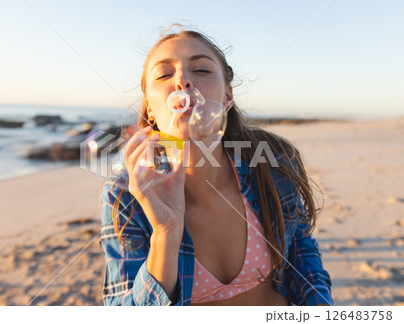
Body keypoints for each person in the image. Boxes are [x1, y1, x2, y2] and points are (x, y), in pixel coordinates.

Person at [100, 27, 332, 306]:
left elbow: (302, 255)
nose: (183, 81)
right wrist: (166, 232)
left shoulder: (272, 163)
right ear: (150, 108)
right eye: (164, 74)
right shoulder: (125, 194)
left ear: (227, 96)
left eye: (201, 70)